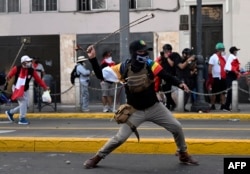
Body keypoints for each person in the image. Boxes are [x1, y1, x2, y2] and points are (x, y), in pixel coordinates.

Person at [83, 40, 199, 169]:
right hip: (135, 110)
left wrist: (180, 84)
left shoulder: (151, 64)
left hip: (155, 107)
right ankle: (97, 157)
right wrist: (93, 59)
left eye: (145, 51)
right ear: (133, 53)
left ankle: (183, 154)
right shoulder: (122, 68)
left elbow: (166, 75)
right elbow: (100, 75)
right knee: (120, 138)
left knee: (177, 127)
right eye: (141, 51)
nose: (144, 54)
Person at [5, 55, 49, 125]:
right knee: (23, 102)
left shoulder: (31, 71)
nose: (30, 63)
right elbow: (10, 75)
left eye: (30, 61)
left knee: (26, 105)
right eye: (28, 61)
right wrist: (8, 77)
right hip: (17, 88)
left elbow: (38, 80)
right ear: (23, 63)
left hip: (25, 89)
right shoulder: (17, 68)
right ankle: (22, 118)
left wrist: (44, 87)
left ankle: (10, 112)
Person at [155, 44, 177, 111]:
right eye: (165, 51)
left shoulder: (172, 56)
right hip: (163, 75)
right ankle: (172, 104)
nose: (166, 52)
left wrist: (167, 57)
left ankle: (169, 105)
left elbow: (172, 64)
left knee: (168, 92)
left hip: (169, 76)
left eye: (167, 51)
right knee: (165, 91)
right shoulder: (162, 57)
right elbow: (158, 63)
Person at [208, 42, 227, 110]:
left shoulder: (224, 57)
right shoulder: (213, 57)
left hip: (223, 77)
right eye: (222, 49)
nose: (223, 51)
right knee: (214, 92)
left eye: (223, 49)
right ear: (218, 50)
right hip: (216, 77)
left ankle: (223, 105)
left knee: (223, 92)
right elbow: (210, 67)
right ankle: (213, 105)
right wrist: (210, 77)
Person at [223, 46, 241, 111]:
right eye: (236, 51)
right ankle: (227, 106)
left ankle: (230, 106)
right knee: (231, 92)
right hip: (231, 75)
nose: (237, 52)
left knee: (231, 92)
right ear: (234, 51)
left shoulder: (231, 57)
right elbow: (233, 68)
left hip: (230, 75)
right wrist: (237, 72)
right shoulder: (233, 57)